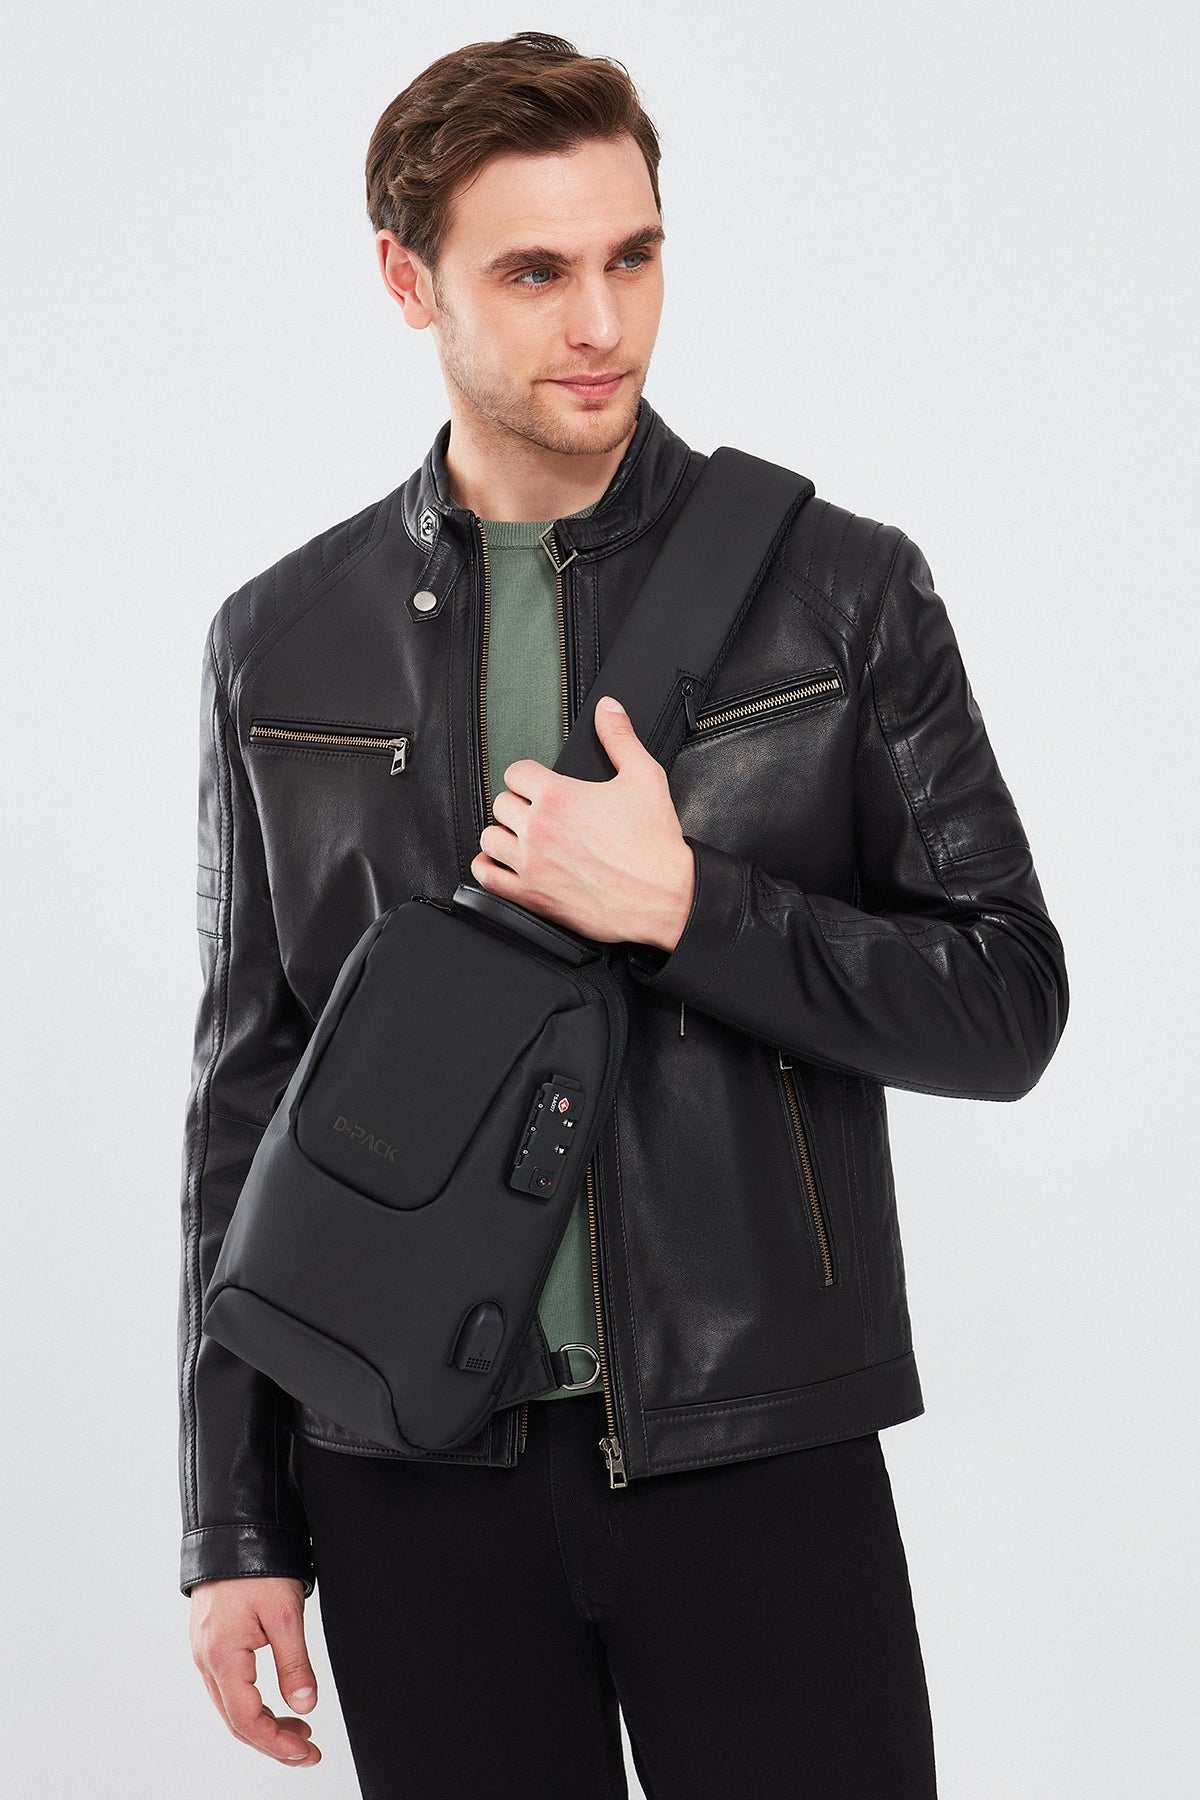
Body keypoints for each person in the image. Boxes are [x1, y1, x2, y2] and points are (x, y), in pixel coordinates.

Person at [179, 31, 1068, 1800]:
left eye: (633, 257)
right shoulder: (281, 643)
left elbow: (1006, 999)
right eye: (535, 273)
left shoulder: (838, 592)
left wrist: (689, 906)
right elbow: (247, 1100)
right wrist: (233, 1522)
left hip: (753, 1449)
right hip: (407, 1474)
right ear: (406, 280)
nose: (603, 324)